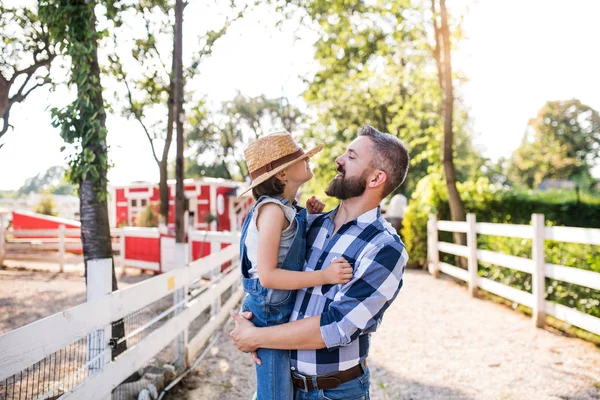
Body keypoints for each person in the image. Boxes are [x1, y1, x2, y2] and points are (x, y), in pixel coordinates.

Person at [231, 125, 410, 400]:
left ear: (376, 178)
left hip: (333, 392)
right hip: (285, 383)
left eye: (351, 157)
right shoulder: (310, 224)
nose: (338, 160)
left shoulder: (385, 249)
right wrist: (252, 319)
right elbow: (269, 277)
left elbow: (336, 326)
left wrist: (256, 337)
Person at [238, 131, 354, 400]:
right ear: (282, 175)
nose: (307, 161)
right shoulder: (272, 211)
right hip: (270, 310)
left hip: (275, 307)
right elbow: (267, 276)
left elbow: (286, 249)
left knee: (280, 389)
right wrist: (324, 276)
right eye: (301, 159)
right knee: (275, 394)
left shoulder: (286, 208)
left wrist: (310, 217)